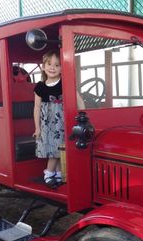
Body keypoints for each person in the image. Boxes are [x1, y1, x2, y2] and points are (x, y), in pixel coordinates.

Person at [33, 50, 84, 188]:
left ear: (61, 68)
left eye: (56, 65)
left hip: (62, 123)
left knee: (60, 148)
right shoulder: (40, 87)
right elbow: (37, 107)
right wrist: (37, 128)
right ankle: (49, 174)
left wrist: (83, 114)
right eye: (49, 64)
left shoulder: (65, 84)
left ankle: (58, 173)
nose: (52, 68)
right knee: (52, 150)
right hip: (46, 124)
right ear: (43, 67)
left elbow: (78, 99)